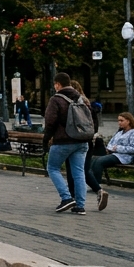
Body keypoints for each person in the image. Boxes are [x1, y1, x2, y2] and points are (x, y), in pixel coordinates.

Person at [44, 72, 95, 215]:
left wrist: (46, 138)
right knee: (78, 173)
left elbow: (50, 121)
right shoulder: (82, 99)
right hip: (82, 140)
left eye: (55, 84)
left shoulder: (56, 99)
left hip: (63, 141)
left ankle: (66, 198)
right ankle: (80, 206)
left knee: (53, 168)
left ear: (58, 84)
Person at [87, 112, 134, 211]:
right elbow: (110, 144)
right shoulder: (119, 132)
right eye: (118, 120)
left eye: (121, 121)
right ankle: (94, 184)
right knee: (93, 160)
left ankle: (98, 185)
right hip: (113, 154)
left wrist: (117, 148)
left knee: (100, 161)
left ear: (128, 121)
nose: (119, 123)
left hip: (124, 157)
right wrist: (111, 148)